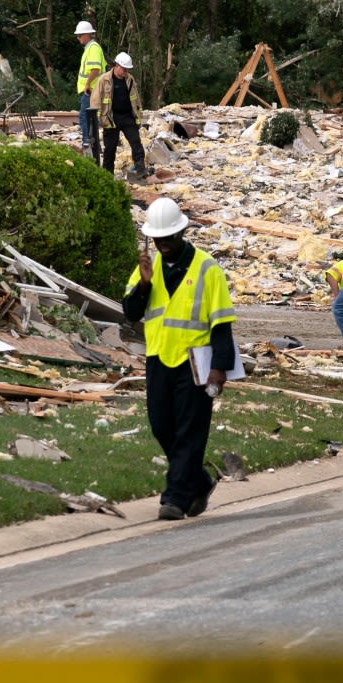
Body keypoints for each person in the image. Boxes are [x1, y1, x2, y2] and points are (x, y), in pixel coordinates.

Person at [123, 198, 237, 521]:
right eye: (158, 240)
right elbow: (131, 312)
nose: (164, 246)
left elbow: (222, 323)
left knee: (190, 430)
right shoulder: (149, 268)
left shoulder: (207, 268)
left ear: (182, 232)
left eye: (169, 238)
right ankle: (199, 481)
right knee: (161, 426)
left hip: (195, 362)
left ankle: (173, 497)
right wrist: (144, 284)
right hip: (159, 357)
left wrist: (219, 369)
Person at [93, 52, 147, 178]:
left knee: (136, 143)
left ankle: (141, 171)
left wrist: (138, 115)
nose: (125, 72)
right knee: (110, 148)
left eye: (127, 69)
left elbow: (136, 98)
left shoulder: (130, 79)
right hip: (111, 118)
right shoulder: (104, 80)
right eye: (124, 69)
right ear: (116, 66)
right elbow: (95, 100)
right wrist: (100, 118)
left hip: (128, 117)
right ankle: (107, 175)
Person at [74, 20, 105, 164]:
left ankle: (88, 145)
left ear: (87, 34)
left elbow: (95, 69)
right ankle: (92, 146)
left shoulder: (93, 48)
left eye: (80, 35)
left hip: (91, 90)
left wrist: (87, 84)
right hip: (91, 90)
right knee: (89, 119)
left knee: (85, 118)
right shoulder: (90, 48)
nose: (78, 38)